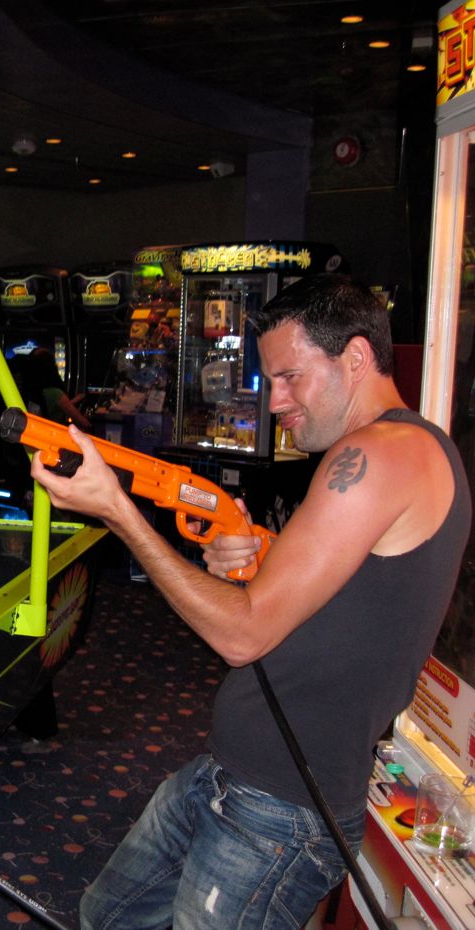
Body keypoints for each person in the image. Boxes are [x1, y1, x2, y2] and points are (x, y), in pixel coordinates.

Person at [29, 274, 471, 930]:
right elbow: (345, 595)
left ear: (355, 357)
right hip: (233, 773)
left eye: (291, 378)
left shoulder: (380, 453)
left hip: (282, 808)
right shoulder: (396, 452)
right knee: (106, 916)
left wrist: (119, 513)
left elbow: (243, 635)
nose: (277, 402)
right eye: (271, 381)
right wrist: (261, 552)